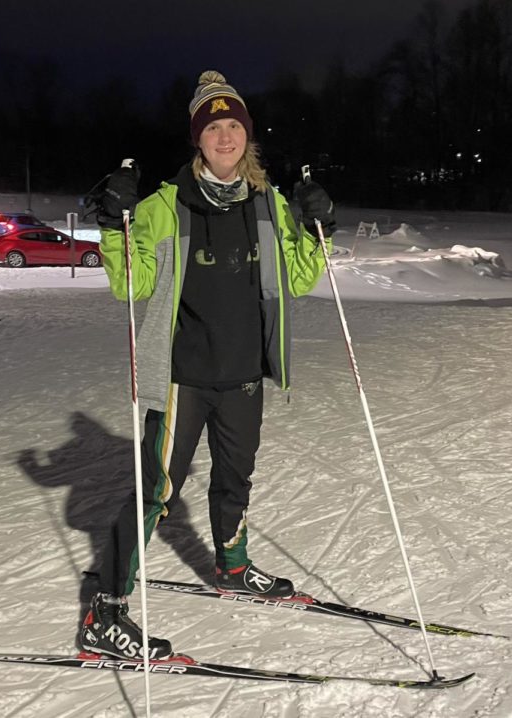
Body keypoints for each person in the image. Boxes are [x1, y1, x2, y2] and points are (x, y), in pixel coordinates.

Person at [78, 70, 337, 660]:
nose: (225, 137)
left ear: (248, 136)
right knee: (155, 491)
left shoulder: (268, 203)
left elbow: (297, 279)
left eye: (234, 126)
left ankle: (233, 568)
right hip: (181, 379)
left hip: (245, 375)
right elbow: (133, 282)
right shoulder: (165, 206)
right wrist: (111, 222)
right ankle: (106, 614)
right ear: (198, 138)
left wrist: (318, 229)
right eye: (214, 127)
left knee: (234, 479)